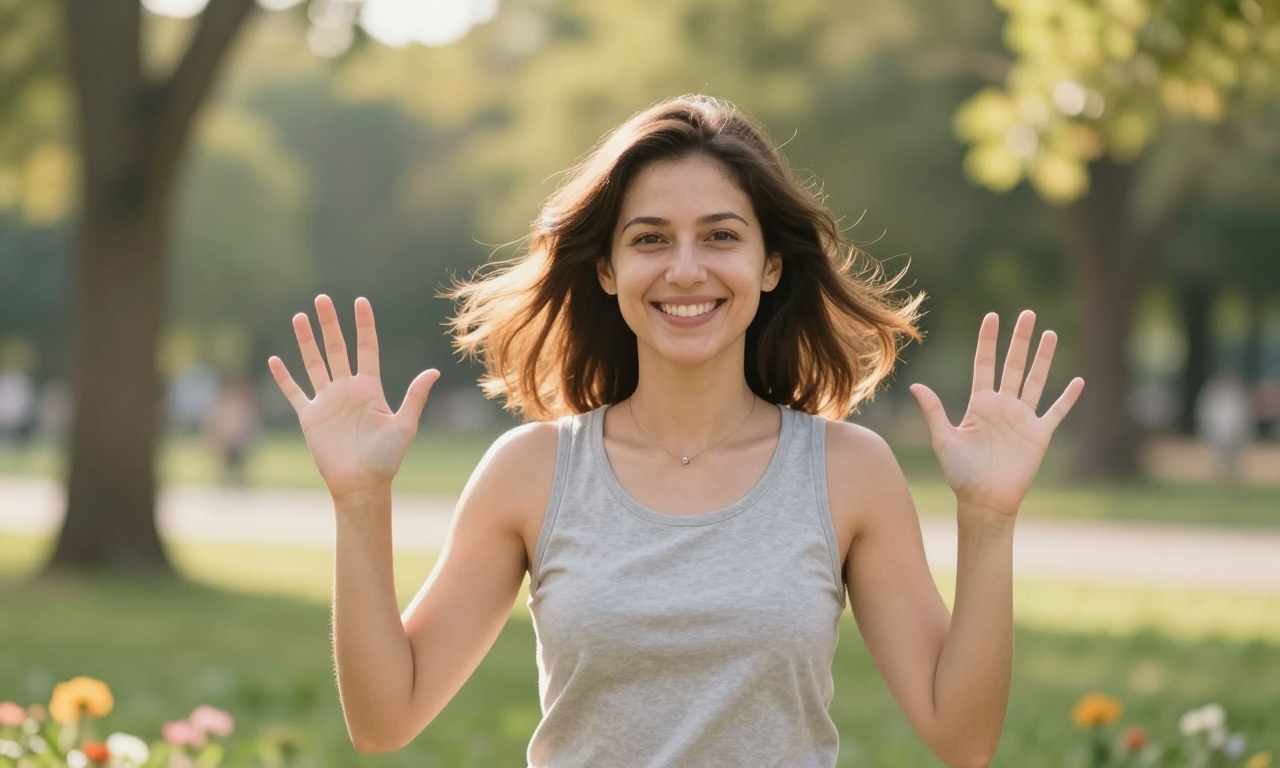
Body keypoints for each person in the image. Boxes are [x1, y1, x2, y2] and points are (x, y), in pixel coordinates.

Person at [267, 96, 1084, 768]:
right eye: (650, 239)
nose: (685, 269)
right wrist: (360, 500)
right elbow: (385, 720)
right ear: (608, 268)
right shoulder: (532, 471)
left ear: (770, 266)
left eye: (721, 236)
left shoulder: (846, 471)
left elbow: (962, 735)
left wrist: (987, 518)